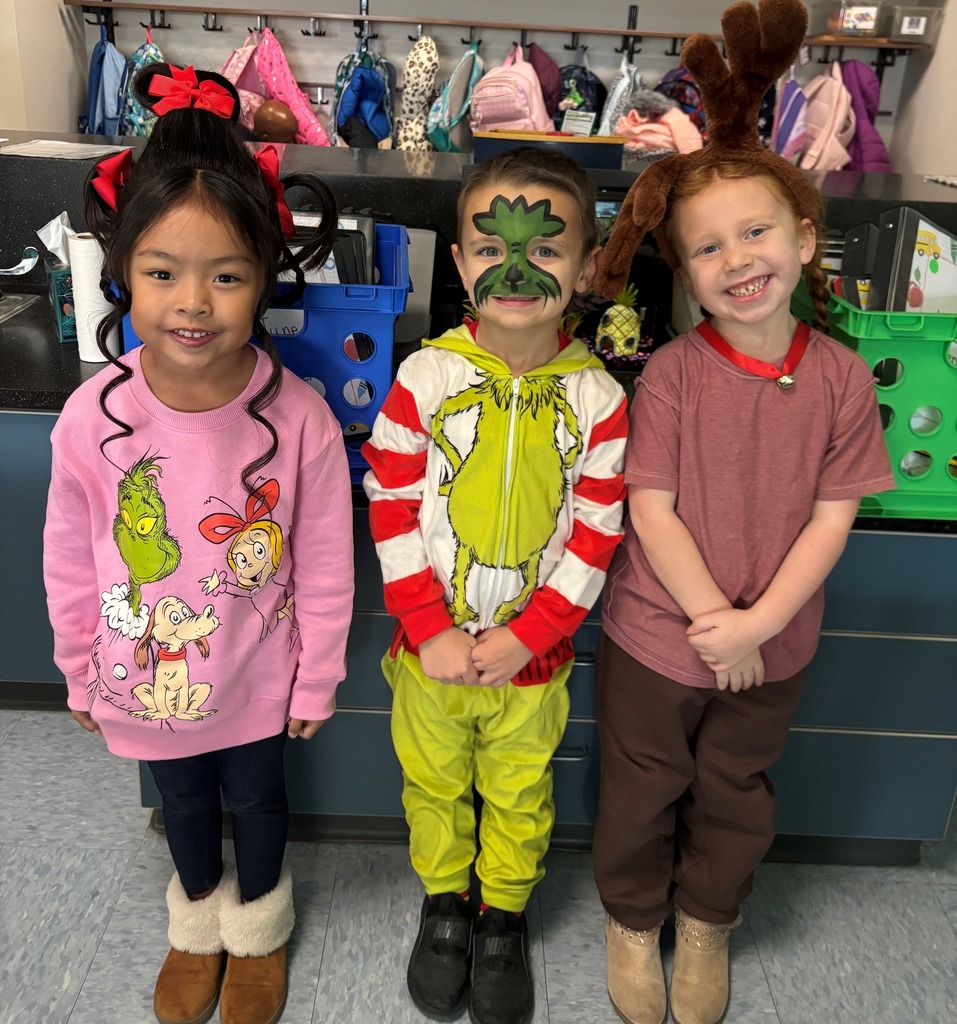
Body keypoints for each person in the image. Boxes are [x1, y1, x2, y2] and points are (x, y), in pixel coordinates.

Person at [590, 4, 896, 1024]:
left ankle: (708, 918)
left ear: (805, 237)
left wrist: (756, 628)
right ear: (687, 273)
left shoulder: (845, 381)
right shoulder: (671, 378)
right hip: (656, 636)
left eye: (756, 231)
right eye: (708, 247)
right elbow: (653, 508)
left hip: (775, 644)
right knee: (641, 787)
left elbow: (832, 517)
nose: (737, 258)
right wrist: (711, 618)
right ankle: (633, 920)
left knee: (735, 789)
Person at [43, 63, 354, 1024]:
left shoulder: (296, 417)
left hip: (261, 676)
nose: (193, 303)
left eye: (225, 276)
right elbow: (67, 553)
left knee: (259, 805)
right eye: (162, 272)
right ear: (123, 268)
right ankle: (195, 925)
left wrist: (318, 677)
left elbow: (330, 557)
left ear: (263, 276)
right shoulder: (90, 417)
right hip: (144, 674)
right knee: (180, 807)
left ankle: (258, 926)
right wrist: (78, 669)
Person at [361, 147, 628, 1024]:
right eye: (490, 248)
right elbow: (391, 505)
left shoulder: (597, 398)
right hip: (426, 652)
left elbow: (596, 534)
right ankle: (445, 904)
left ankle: (501, 914)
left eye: (547, 251)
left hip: (531, 660)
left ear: (586, 265)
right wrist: (431, 629)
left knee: (520, 790)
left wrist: (531, 634)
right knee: (433, 784)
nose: (516, 269)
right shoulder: (422, 379)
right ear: (461, 257)